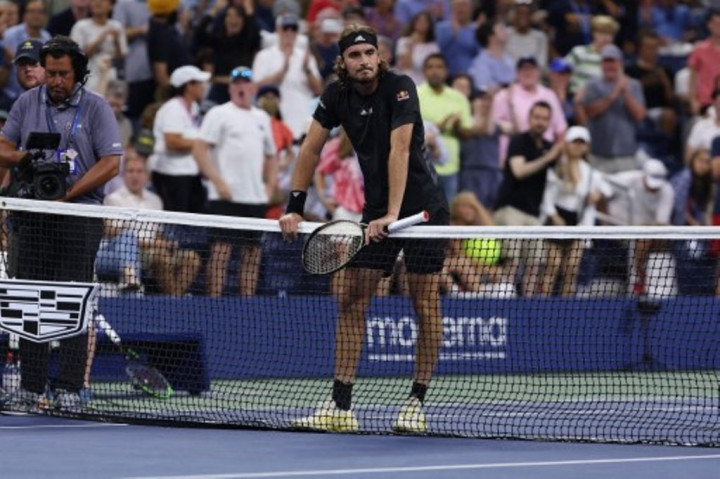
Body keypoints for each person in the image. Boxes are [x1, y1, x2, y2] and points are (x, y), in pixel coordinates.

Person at [279, 24, 449, 434]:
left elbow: (401, 149)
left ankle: (415, 403)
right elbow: (311, 147)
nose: (364, 61)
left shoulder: (400, 86)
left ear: (379, 56)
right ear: (343, 63)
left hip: (422, 209)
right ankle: (341, 406)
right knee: (353, 300)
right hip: (378, 212)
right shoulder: (336, 95)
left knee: (424, 304)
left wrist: (391, 214)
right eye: (355, 56)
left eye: (369, 53)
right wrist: (295, 206)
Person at [0, 36, 122, 410]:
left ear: (78, 72)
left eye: (62, 74)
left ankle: (70, 387)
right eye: (50, 73)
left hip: (79, 215)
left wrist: (69, 194)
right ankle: (32, 387)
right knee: (30, 301)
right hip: (32, 216)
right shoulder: (25, 102)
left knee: (73, 302)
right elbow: (2, 148)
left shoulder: (97, 108)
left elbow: (110, 162)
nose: (55, 81)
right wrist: (24, 159)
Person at [193, 66, 276, 297]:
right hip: (225, 196)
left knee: (252, 255)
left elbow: (272, 154)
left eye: (245, 83)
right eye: (236, 83)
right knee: (221, 253)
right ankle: (214, 305)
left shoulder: (262, 118)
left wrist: (269, 185)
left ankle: (246, 307)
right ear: (231, 88)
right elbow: (199, 149)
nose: (241, 87)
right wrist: (217, 181)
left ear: (252, 88)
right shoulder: (219, 113)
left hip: (254, 198)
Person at [96, 154, 202, 296]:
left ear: (147, 176)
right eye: (131, 171)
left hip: (155, 248)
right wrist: (153, 245)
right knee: (161, 256)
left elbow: (158, 233)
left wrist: (166, 243)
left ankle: (174, 299)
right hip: (128, 253)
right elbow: (112, 233)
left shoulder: (155, 200)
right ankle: (176, 299)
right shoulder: (113, 199)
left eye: (139, 171)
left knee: (191, 258)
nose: (135, 176)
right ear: (124, 175)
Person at [493, 101, 563, 297]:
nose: (540, 122)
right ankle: (503, 302)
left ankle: (528, 311)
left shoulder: (549, 147)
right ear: (530, 119)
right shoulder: (519, 141)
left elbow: (561, 177)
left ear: (549, 122)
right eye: (537, 117)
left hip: (534, 215)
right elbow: (519, 171)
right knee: (512, 261)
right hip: (511, 209)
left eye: (544, 118)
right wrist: (549, 158)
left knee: (534, 265)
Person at [540, 125, 611, 296]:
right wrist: (553, 215)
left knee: (572, 269)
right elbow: (547, 195)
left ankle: (566, 309)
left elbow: (607, 190)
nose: (578, 146)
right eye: (574, 142)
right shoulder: (558, 165)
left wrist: (597, 195)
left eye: (582, 143)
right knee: (553, 266)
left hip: (576, 224)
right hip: (557, 219)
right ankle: (541, 305)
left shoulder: (591, 173)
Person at [150, 65, 209, 214]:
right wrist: (200, 144)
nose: (203, 87)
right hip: (172, 175)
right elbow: (172, 141)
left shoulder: (194, 108)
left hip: (191, 174)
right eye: (199, 83)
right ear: (189, 86)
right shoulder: (173, 109)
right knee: (176, 222)